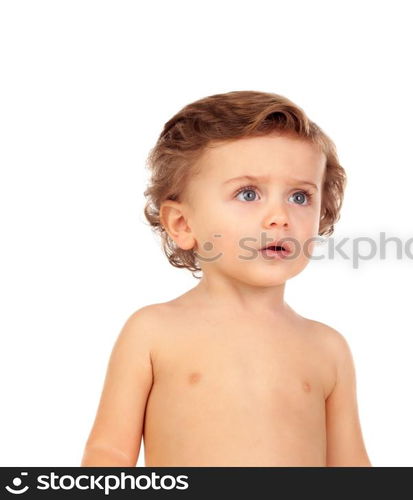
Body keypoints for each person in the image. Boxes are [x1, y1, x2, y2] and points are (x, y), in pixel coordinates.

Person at [81, 90, 371, 467]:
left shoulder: (327, 348)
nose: (279, 217)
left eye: (300, 197)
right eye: (248, 193)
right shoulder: (153, 332)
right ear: (183, 224)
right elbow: (109, 452)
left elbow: (351, 465)